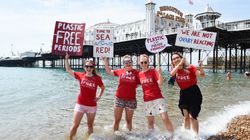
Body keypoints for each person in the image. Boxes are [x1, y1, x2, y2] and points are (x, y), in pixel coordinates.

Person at [65, 53, 105, 140]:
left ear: (93, 68)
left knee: (90, 125)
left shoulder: (97, 78)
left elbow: (102, 87)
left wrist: (99, 96)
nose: (89, 68)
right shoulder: (81, 75)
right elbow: (68, 70)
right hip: (80, 104)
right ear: (84, 67)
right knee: (75, 125)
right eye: (87, 66)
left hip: (92, 106)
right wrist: (66, 59)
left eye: (91, 67)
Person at [138, 54, 174, 134]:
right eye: (142, 62)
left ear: (148, 62)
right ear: (139, 63)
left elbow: (160, 83)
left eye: (145, 62)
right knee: (150, 123)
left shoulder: (153, 71)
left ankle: (172, 136)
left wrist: (160, 73)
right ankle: (152, 137)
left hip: (158, 98)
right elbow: (136, 85)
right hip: (147, 100)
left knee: (165, 118)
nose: (144, 64)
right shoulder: (139, 74)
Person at [170, 52, 205, 134]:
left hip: (194, 92)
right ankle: (186, 136)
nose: (175, 60)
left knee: (192, 116)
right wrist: (179, 65)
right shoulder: (175, 70)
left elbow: (202, 75)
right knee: (186, 117)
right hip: (183, 94)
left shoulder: (190, 67)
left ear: (181, 58)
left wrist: (200, 67)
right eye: (173, 59)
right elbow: (171, 74)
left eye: (177, 58)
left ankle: (196, 136)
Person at [103, 55, 140, 132]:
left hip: (131, 100)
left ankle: (129, 136)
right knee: (117, 120)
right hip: (119, 99)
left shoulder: (137, 73)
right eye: (126, 62)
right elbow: (109, 71)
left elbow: (142, 82)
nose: (128, 63)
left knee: (129, 121)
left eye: (129, 62)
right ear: (123, 64)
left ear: (132, 63)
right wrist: (105, 61)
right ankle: (115, 136)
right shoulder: (120, 71)